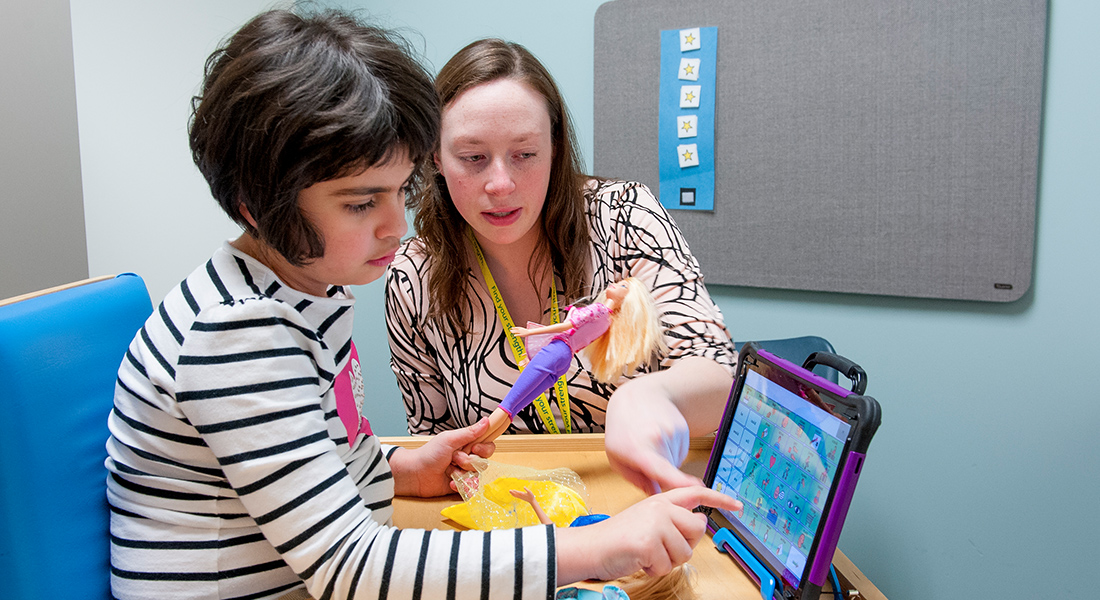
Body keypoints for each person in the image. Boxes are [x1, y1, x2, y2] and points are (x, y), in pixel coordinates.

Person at [105, 10, 740, 600]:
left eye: (397, 191)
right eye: (361, 203)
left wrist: (398, 469)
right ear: (256, 201)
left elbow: (305, 460)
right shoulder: (238, 329)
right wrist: (594, 547)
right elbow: (348, 567)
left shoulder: (303, 294)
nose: (394, 224)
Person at [385, 38, 737, 494]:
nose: (500, 183)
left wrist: (649, 394)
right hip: (518, 525)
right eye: (472, 158)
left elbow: (719, 373)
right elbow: (433, 446)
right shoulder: (415, 276)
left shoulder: (624, 215)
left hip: (647, 504)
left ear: (554, 147)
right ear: (435, 157)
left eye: (525, 155)